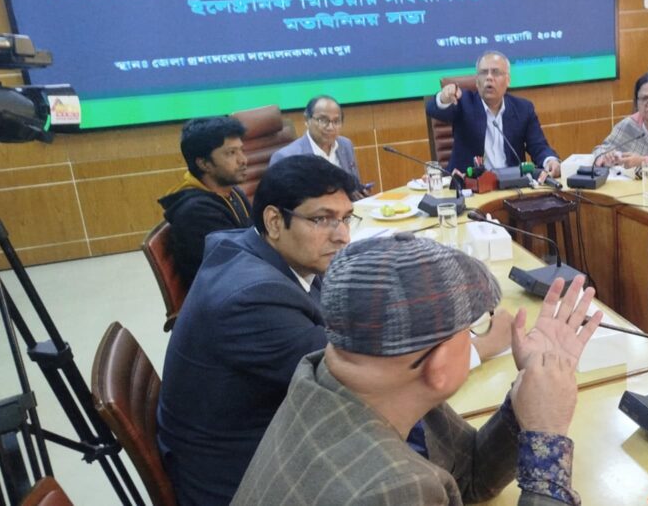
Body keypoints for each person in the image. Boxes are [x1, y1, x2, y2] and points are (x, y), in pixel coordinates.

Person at [232, 235, 602, 505]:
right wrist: (547, 440)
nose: (476, 337)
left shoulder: (328, 377)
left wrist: (527, 401)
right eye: (472, 328)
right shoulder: (391, 489)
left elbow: (470, 476)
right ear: (438, 365)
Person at [157, 155, 358, 506]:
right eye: (322, 219)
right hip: (244, 478)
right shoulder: (253, 298)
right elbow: (348, 376)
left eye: (345, 218)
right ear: (274, 221)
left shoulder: (261, 251)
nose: (342, 236)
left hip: (261, 433)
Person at [426, 50, 561, 176]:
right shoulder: (463, 102)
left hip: (512, 183)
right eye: (484, 73)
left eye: (496, 72)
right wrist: (444, 97)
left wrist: (550, 161)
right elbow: (433, 109)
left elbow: (539, 146)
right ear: (477, 81)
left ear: (508, 80)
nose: (489, 77)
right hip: (470, 185)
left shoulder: (523, 109)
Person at [158, 116, 251, 286]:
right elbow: (234, 269)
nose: (243, 160)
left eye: (241, 150)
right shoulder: (196, 213)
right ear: (204, 164)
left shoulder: (232, 192)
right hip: (227, 294)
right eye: (231, 153)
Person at [270, 95, 370, 196]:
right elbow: (282, 201)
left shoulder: (345, 145)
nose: (330, 127)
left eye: (336, 121)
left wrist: (358, 192)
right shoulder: (286, 157)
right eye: (323, 120)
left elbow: (354, 185)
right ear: (307, 120)